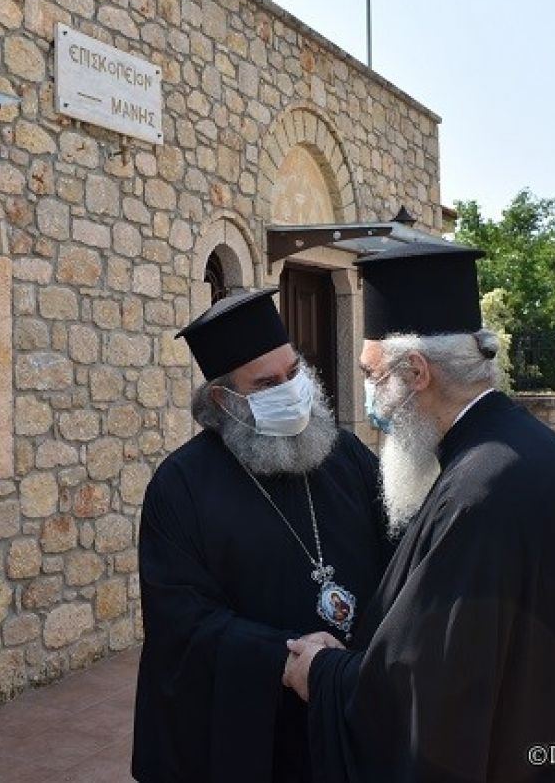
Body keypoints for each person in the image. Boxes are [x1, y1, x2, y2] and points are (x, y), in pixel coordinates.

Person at [283, 242, 555, 782]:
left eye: (372, 376)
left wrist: (322, 672)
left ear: (416, 372)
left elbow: (430, 687)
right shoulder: (532, 452)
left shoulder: (480, 488)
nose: (369, 397)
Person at [132, 288, 393, 783]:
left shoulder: (346, 455)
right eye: (267, 383)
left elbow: (401, 550)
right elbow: (181, 620)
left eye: (294, 372)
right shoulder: (181, 485)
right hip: (251, 728)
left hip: (350, 702)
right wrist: (286, 657)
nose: (290, 390)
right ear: (222, 400)